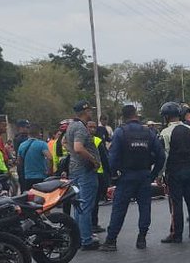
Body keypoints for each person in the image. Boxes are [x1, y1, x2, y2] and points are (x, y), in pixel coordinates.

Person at [100, 104, 165, 251]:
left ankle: (111, 241)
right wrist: (153, 175)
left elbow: (113, 158)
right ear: (136, 114)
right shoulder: (148, 132)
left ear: (123, 117)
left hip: (126, 176)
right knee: (145, 207)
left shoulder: (120, 132)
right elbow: (161, 156)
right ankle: (142, 239)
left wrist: (113, 176)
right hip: (144, 175)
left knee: (119, 208)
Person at [158, 101, 190, 243]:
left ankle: (177, 234)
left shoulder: (165, 133)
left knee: (176, 204)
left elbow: (164, 156)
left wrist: (159, 175)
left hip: (174, 172)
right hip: (189, 170)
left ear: (167, 117)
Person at [64, 101, 102, 250]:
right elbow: (78, 147)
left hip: (74, 168)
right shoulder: (80, 127)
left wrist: (73, 154)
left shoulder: (71, 126)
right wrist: (93, 160)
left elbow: (65, 142)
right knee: (85, 205)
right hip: (85, 170)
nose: (91, 112)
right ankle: (86, 239)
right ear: (85, 111)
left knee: (79, 205)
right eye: (90, 110)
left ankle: (80, 236)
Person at [85, 119, 110, 232]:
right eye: (90, 127)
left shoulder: (97, 140)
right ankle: (92, 224)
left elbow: (105, 158)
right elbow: (105, 159)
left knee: (92, 201)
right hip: (93, 174)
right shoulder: (94, 141)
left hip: (96, 173)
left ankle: (90, 224)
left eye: (94, 127)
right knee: (93, 201)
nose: (92, 129)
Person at [17, 125, 50, 190]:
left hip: (27, 177)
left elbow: (19, 161)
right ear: (39, 133)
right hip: (41, 176)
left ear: (29, 134)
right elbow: (50, 157)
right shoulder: (42, 144)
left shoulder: (22, 145)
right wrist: (49, 171)